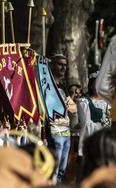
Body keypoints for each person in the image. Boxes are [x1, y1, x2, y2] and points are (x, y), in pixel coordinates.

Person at [49, 54, 78, 183]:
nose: (63, 68)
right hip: (55, 125)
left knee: (63, 167)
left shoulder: (62, 85)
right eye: (60, 64)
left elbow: (72, 107)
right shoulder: (48, 84)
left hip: (66, 127)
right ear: (52, 65)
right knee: (56, 166)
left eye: (65, 65)